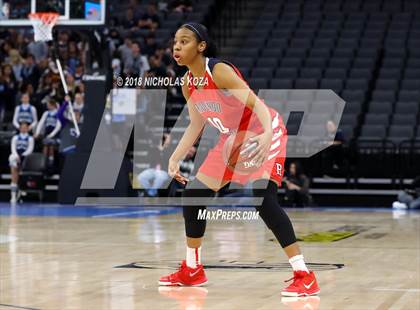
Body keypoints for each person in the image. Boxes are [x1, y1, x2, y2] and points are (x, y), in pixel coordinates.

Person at [158, 23, 320, 297]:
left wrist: (269, 133)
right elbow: (196, 124)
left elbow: (256, 103)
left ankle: (304, 274)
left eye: (184, 41)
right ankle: (193, 269)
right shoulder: (188, 83)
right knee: (194, 194)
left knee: (262, 197)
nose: (177, 46)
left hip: (261, 130)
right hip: (231, 139)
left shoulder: (219, 70)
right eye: (175, 41)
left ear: (201, 46)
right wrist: (174, 156)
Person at [137, 133, 171, 197]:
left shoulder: (170, 150)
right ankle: (151, 192)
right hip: (153, 169)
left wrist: (162, 151)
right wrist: (158, 150)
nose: (167, 140)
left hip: (164, 171)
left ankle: (151, 194)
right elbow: (149, 159)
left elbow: (168, 161)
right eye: (165, 138)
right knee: (141, 177)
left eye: (168, 138)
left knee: (160, 176)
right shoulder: (154, 149)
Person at [9, 122, 35, 203]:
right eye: (22, 127)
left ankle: (19, 192)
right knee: (13, 166)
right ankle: (13, 196)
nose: (23, 128)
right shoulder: (15, 138)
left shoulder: (30, 138)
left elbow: (30, 150)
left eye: (25, 127)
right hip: (16, 156)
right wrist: (17, 156)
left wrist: (22, 156)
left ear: (28, 128)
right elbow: (13, 148)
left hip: (25, 157)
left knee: (18, 172)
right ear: (19, 128)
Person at [34, 98, 61, 167]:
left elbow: (58, 126)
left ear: (53, 105)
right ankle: (43, 161)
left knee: (51, 146)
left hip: (55, 133)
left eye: (48, 105)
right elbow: (41, 123)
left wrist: (52, 135)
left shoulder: (58, 113)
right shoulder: (46, 113)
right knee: (45, 146)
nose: (47, 106)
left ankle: (51, 162)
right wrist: (37, 132)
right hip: (47, 133)